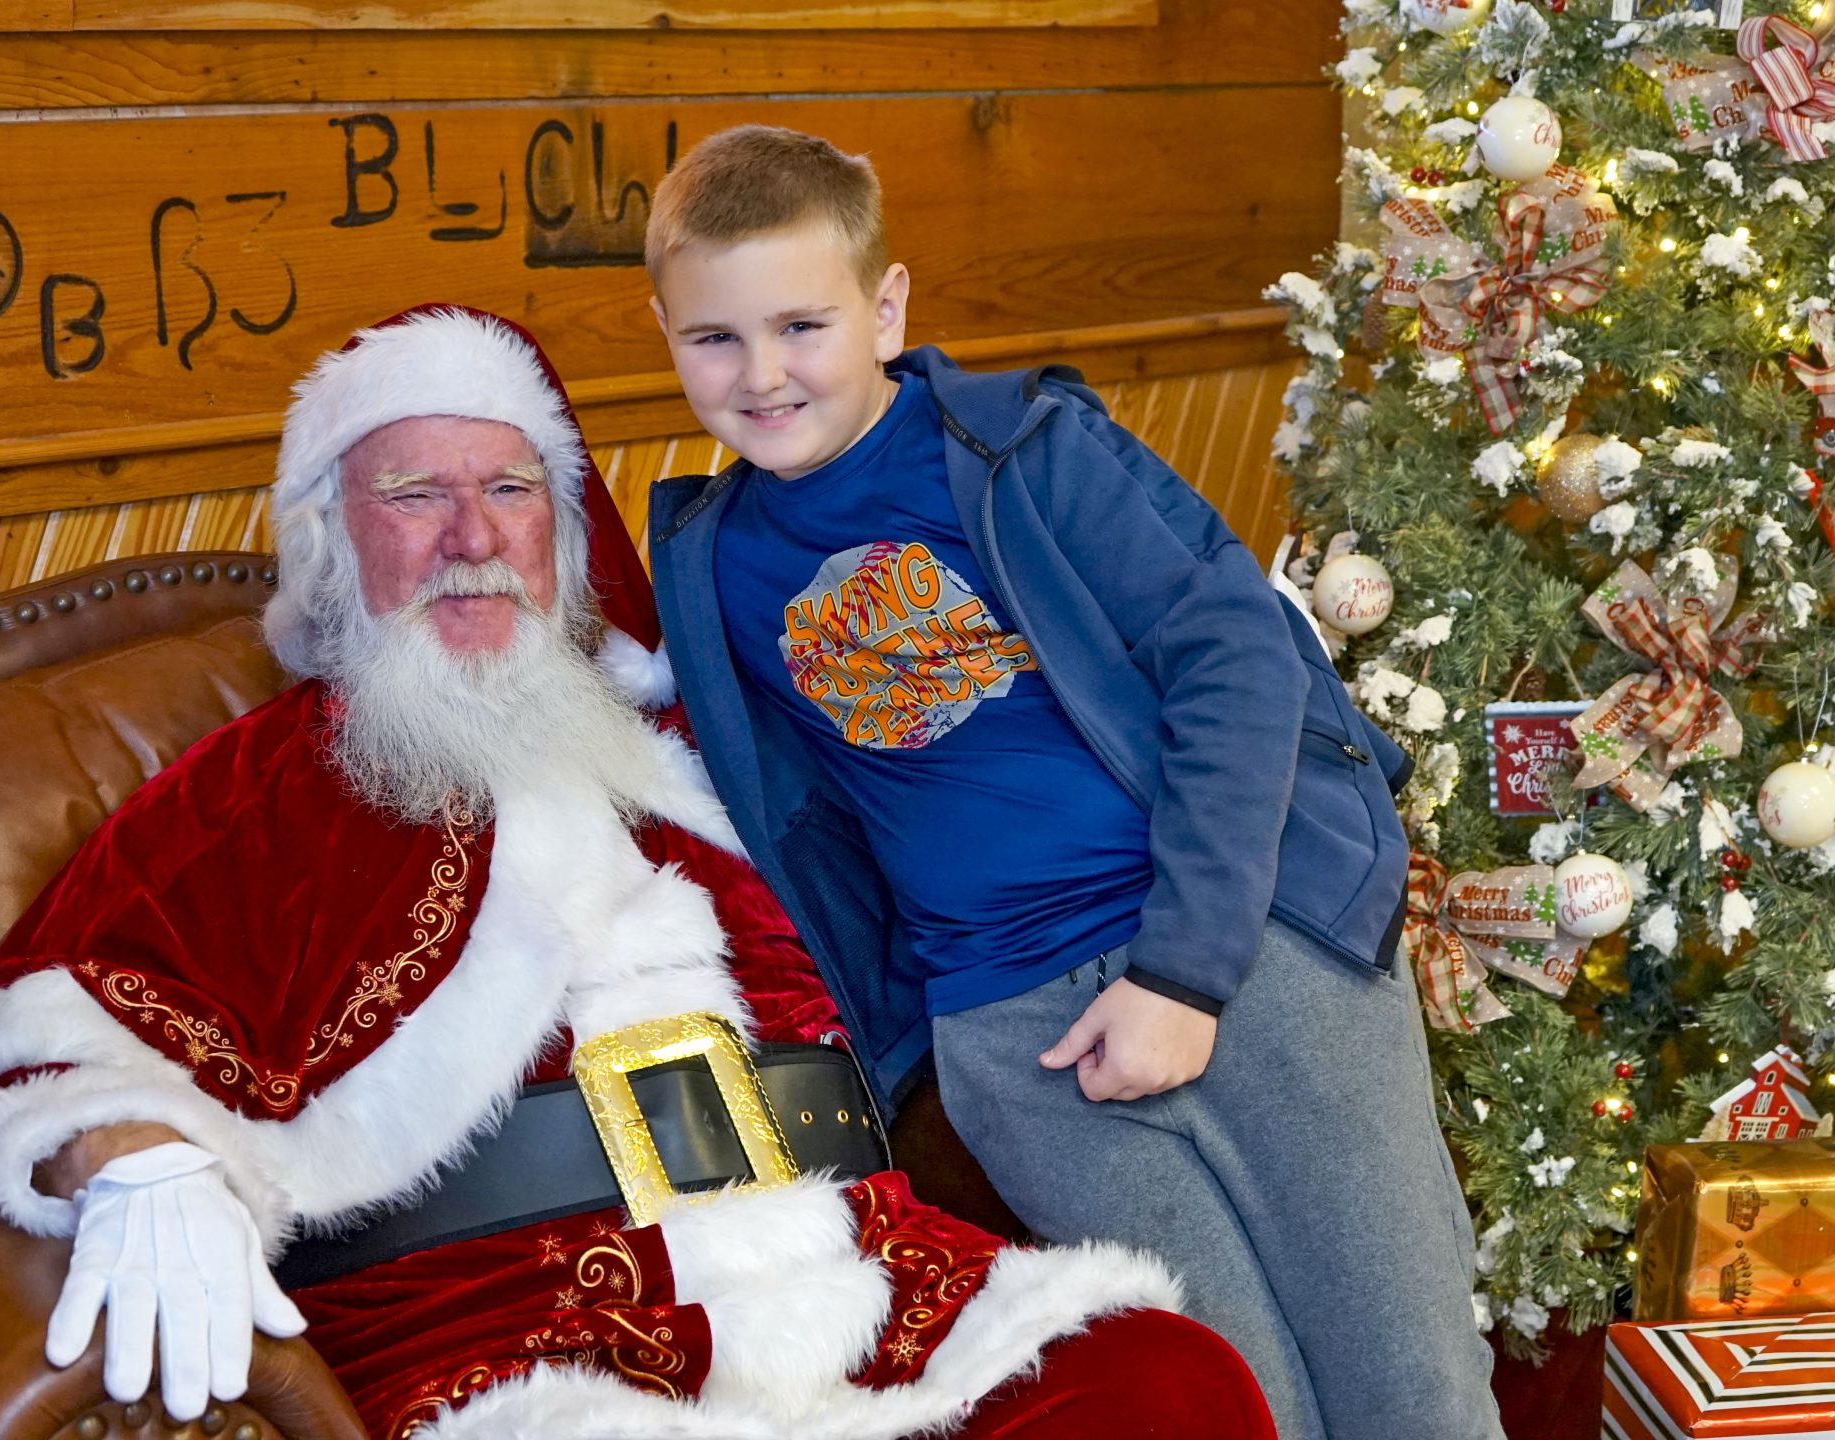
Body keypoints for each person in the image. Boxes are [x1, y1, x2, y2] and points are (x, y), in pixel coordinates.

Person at [0, 304, 1277, 1440]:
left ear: (562, 540)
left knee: (1163, 1383)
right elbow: (55, 1035)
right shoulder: (262, 789)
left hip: (865, 1285)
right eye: (415, 495)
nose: (471, 536)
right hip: (514, 1341)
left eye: (509, 491)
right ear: (335, 543)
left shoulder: (701, 746)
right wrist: (137, 1168)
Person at [643, 126, 1503, 1440]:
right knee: (1230, 1407)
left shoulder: (1024, 452)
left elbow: (1239, 662)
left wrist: (1183, 976)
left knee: (1412, 1388)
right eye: (715, 338)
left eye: (802, 326)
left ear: (886, 308)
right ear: (665, 332)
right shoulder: (713, 567)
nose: (761, 374)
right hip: (1019, 1042)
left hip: (1243, 953)